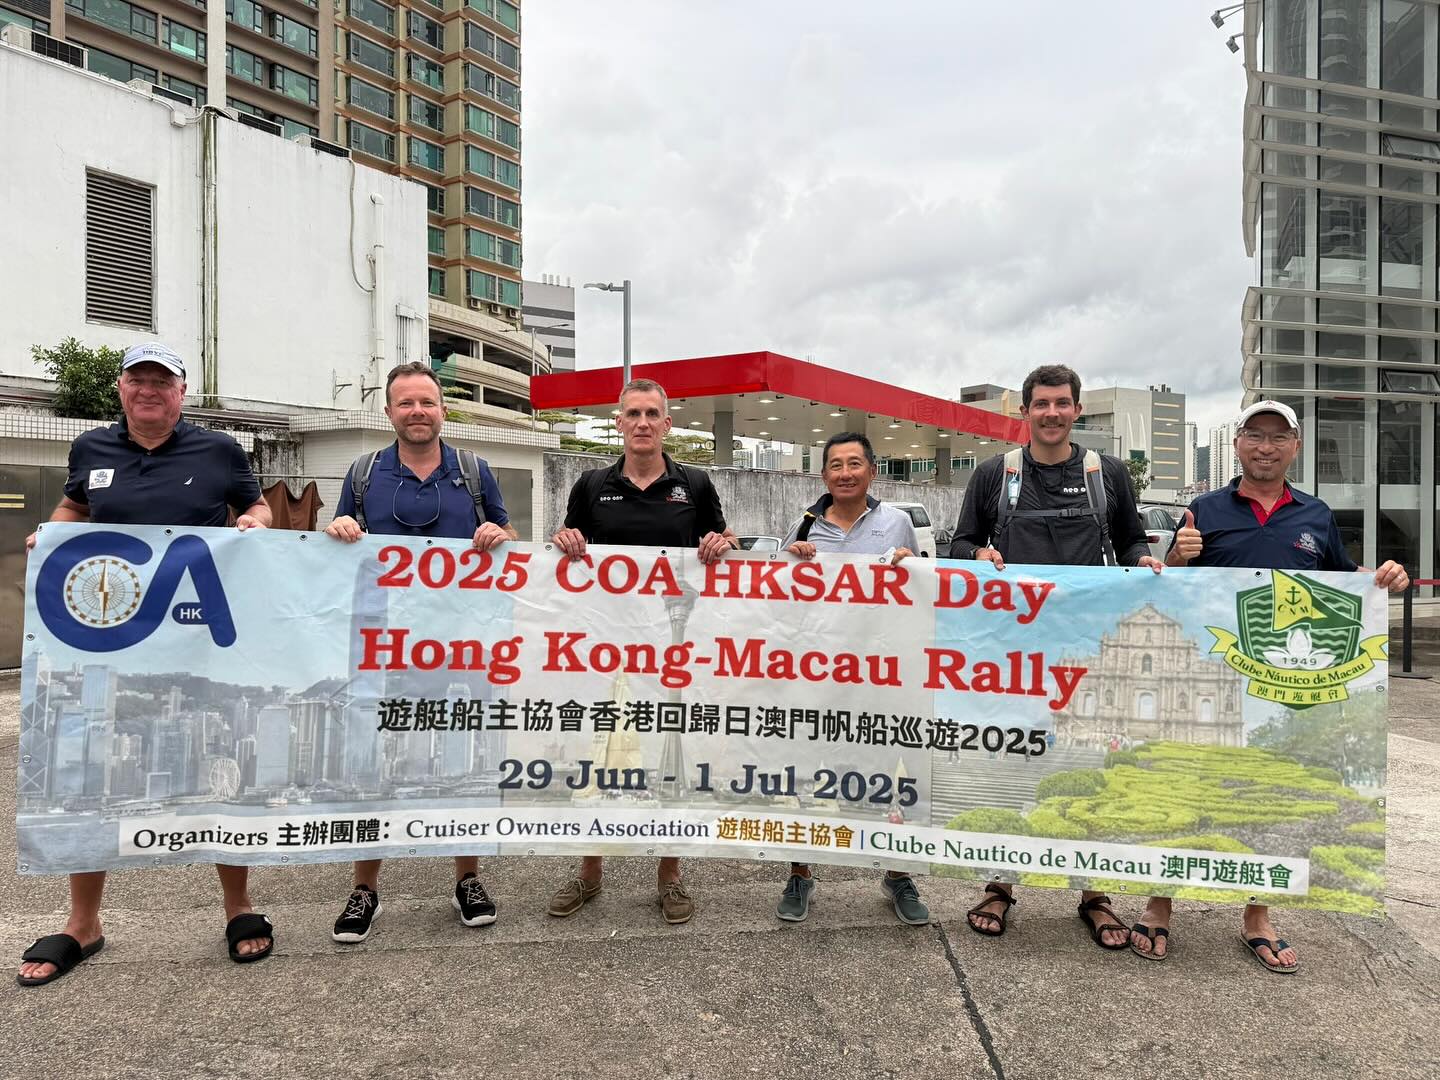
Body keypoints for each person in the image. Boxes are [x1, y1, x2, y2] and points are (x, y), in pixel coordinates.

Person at [18, 342, 275, 987]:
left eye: (163, 381)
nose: (150, 390)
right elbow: (76, 507)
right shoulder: (90, 448)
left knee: (220, 766)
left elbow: (257, 507)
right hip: (109, 641)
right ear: (122, 388)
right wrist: (52, 534)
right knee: (91, 769)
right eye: (139, 379)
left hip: (199, 642)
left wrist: (253, 523)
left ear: (181, 393)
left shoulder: (219, 450)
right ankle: (83, 922)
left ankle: (238, 906)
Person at [1132, 399, 1409, 972]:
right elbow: (1169, 588)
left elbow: (1343, 580)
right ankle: (1160, 904)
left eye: (1278, 437)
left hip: (1280, 680)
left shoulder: (1315, 514)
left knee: (1266, 789)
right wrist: (1177, 557)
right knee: (1186, 789)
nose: (1265, 446)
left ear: (1295, 446)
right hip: (1213, 671)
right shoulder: (1204, 509)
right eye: (1255, 435)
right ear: (1238, 444)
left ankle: (1257, 916)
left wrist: (1384, 576)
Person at [948, 363, 1163, 949]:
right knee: (1014, 762)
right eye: (1041, 404)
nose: (1052, 413)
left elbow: (1130, 540)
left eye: (1062, 403)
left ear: (1077, 410)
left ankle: (1094, 894)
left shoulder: (1106, 473)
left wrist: (1143, 561)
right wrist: (978, 555)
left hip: (1086, 647)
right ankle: (1000, 884)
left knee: (1088, 763)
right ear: (1025, 412)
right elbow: (960, 542)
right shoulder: (995, 474)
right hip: (1014, 649)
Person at [324, 361, 518, 944]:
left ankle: (467, 878)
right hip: (386, 645)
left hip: (459, 644)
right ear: (389, 412)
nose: (417, 412)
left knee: (463, 758)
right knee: (375, 761)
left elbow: (508, 537)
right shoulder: (364, 474)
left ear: (442, 410)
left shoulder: (473, 472)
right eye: (406, 403)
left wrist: (498, 535)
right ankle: (365, 888)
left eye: (427, 402)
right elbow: (338, 539)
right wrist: (339, 529)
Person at [547, 378, 737, 925]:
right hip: (605, 644)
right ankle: (589, 871)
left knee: (668, 747)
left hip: (671, 645)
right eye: (633, 413)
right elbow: (566, 548)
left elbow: (727, 543)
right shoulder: (591, 484)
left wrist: (722, 543)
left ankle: (669, 874)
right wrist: (564, 540)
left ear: (667, 424)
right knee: (600, 748)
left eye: (653, 413)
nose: (643, 422)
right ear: (619, 422)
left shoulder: (694, 484)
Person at [776, 432, 929, 926]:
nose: (845, 473)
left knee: (889, 772)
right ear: (824, 475)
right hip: (817, 672)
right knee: (805, 770)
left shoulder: (897, 523)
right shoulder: (804, 524)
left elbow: (921, 590)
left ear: (872, 471)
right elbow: (775, 597)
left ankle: (897, 873)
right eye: (836, 465)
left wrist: (912, 566)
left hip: (879, 673)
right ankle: (800, 872)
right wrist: (791, 562)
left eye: (854, 463)